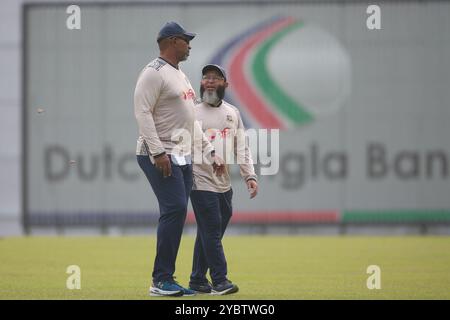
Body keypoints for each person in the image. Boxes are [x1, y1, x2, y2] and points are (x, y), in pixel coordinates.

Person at [134, 22, 223, 297]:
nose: (190, 44)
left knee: (177, 213)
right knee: (174, 210)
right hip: (160, 154)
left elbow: (190, 121)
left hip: (182, 153)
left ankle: (167, 278)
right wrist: (158, 151)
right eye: (186, 40)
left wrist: (209, 151)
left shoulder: (180, 74)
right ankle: (160, 280)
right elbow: (142, 113)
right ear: (172, 41)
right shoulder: (153, 72)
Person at [188, 64, 258, 295]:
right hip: (199, 180)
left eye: (215, 78)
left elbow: (242, 147)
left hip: (223, 184)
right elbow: (185, 143)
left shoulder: (232, 113)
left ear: (225, 84)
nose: (209, 81)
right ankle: (219, 280)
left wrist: (249, 175)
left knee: (210, 231)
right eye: (205, 78)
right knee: (210, 230)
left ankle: (198, 279)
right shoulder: (192, 111)